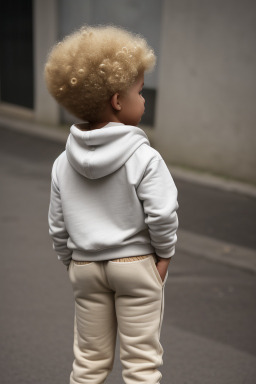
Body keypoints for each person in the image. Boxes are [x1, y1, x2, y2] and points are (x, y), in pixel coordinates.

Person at [45, 25, 179, 384]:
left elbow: (57, 225)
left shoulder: (63, 162)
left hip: (86, 267)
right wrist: (163, 256)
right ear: (118, 101)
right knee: (141, 365)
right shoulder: (145, 158)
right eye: (140, 90)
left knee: (88, 361)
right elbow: (162, 213)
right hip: (136, 265)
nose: (145, 98)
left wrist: (71, 262)